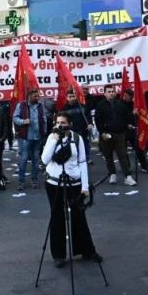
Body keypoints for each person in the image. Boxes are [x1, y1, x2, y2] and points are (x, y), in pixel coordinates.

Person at [41, 113, 101, 268]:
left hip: (73, 182)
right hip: (54, 183)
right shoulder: (51, 138)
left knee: (79, 216)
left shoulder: (77, 138)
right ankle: (59, 255)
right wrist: (54, 140)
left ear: (70, 124)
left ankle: (86, 250)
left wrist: (85, 186)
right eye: (58, 122)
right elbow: (44, 159)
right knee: (57, 216)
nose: (60, 125)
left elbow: (82, 162)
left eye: (63, 122)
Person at [96, 86, 136, 185]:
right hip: (107, 134)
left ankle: (128, 176)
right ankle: (112, 174)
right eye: (109, 92)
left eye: (113, 91)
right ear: (104, 93)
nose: (111, 93)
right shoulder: (100, 106)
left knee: (122, 155)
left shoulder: (119, 104)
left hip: (120, 134)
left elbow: (126, 116)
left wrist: (128, 124)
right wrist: (102, 132)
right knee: (108, 156)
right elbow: (98, 121)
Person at [13, 89, 48, 191]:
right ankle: (21, 181)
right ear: (29, 96)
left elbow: (44, 118)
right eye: (35, 96)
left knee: (36, 160)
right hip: (25, 138)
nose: (37, 98)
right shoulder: (21, 105)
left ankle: (34, 179)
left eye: (38, 96)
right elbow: (15, 118)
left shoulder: (40, 106)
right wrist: (23, 121)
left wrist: (44, 131)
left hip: (37, 137)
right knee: (23, 160)